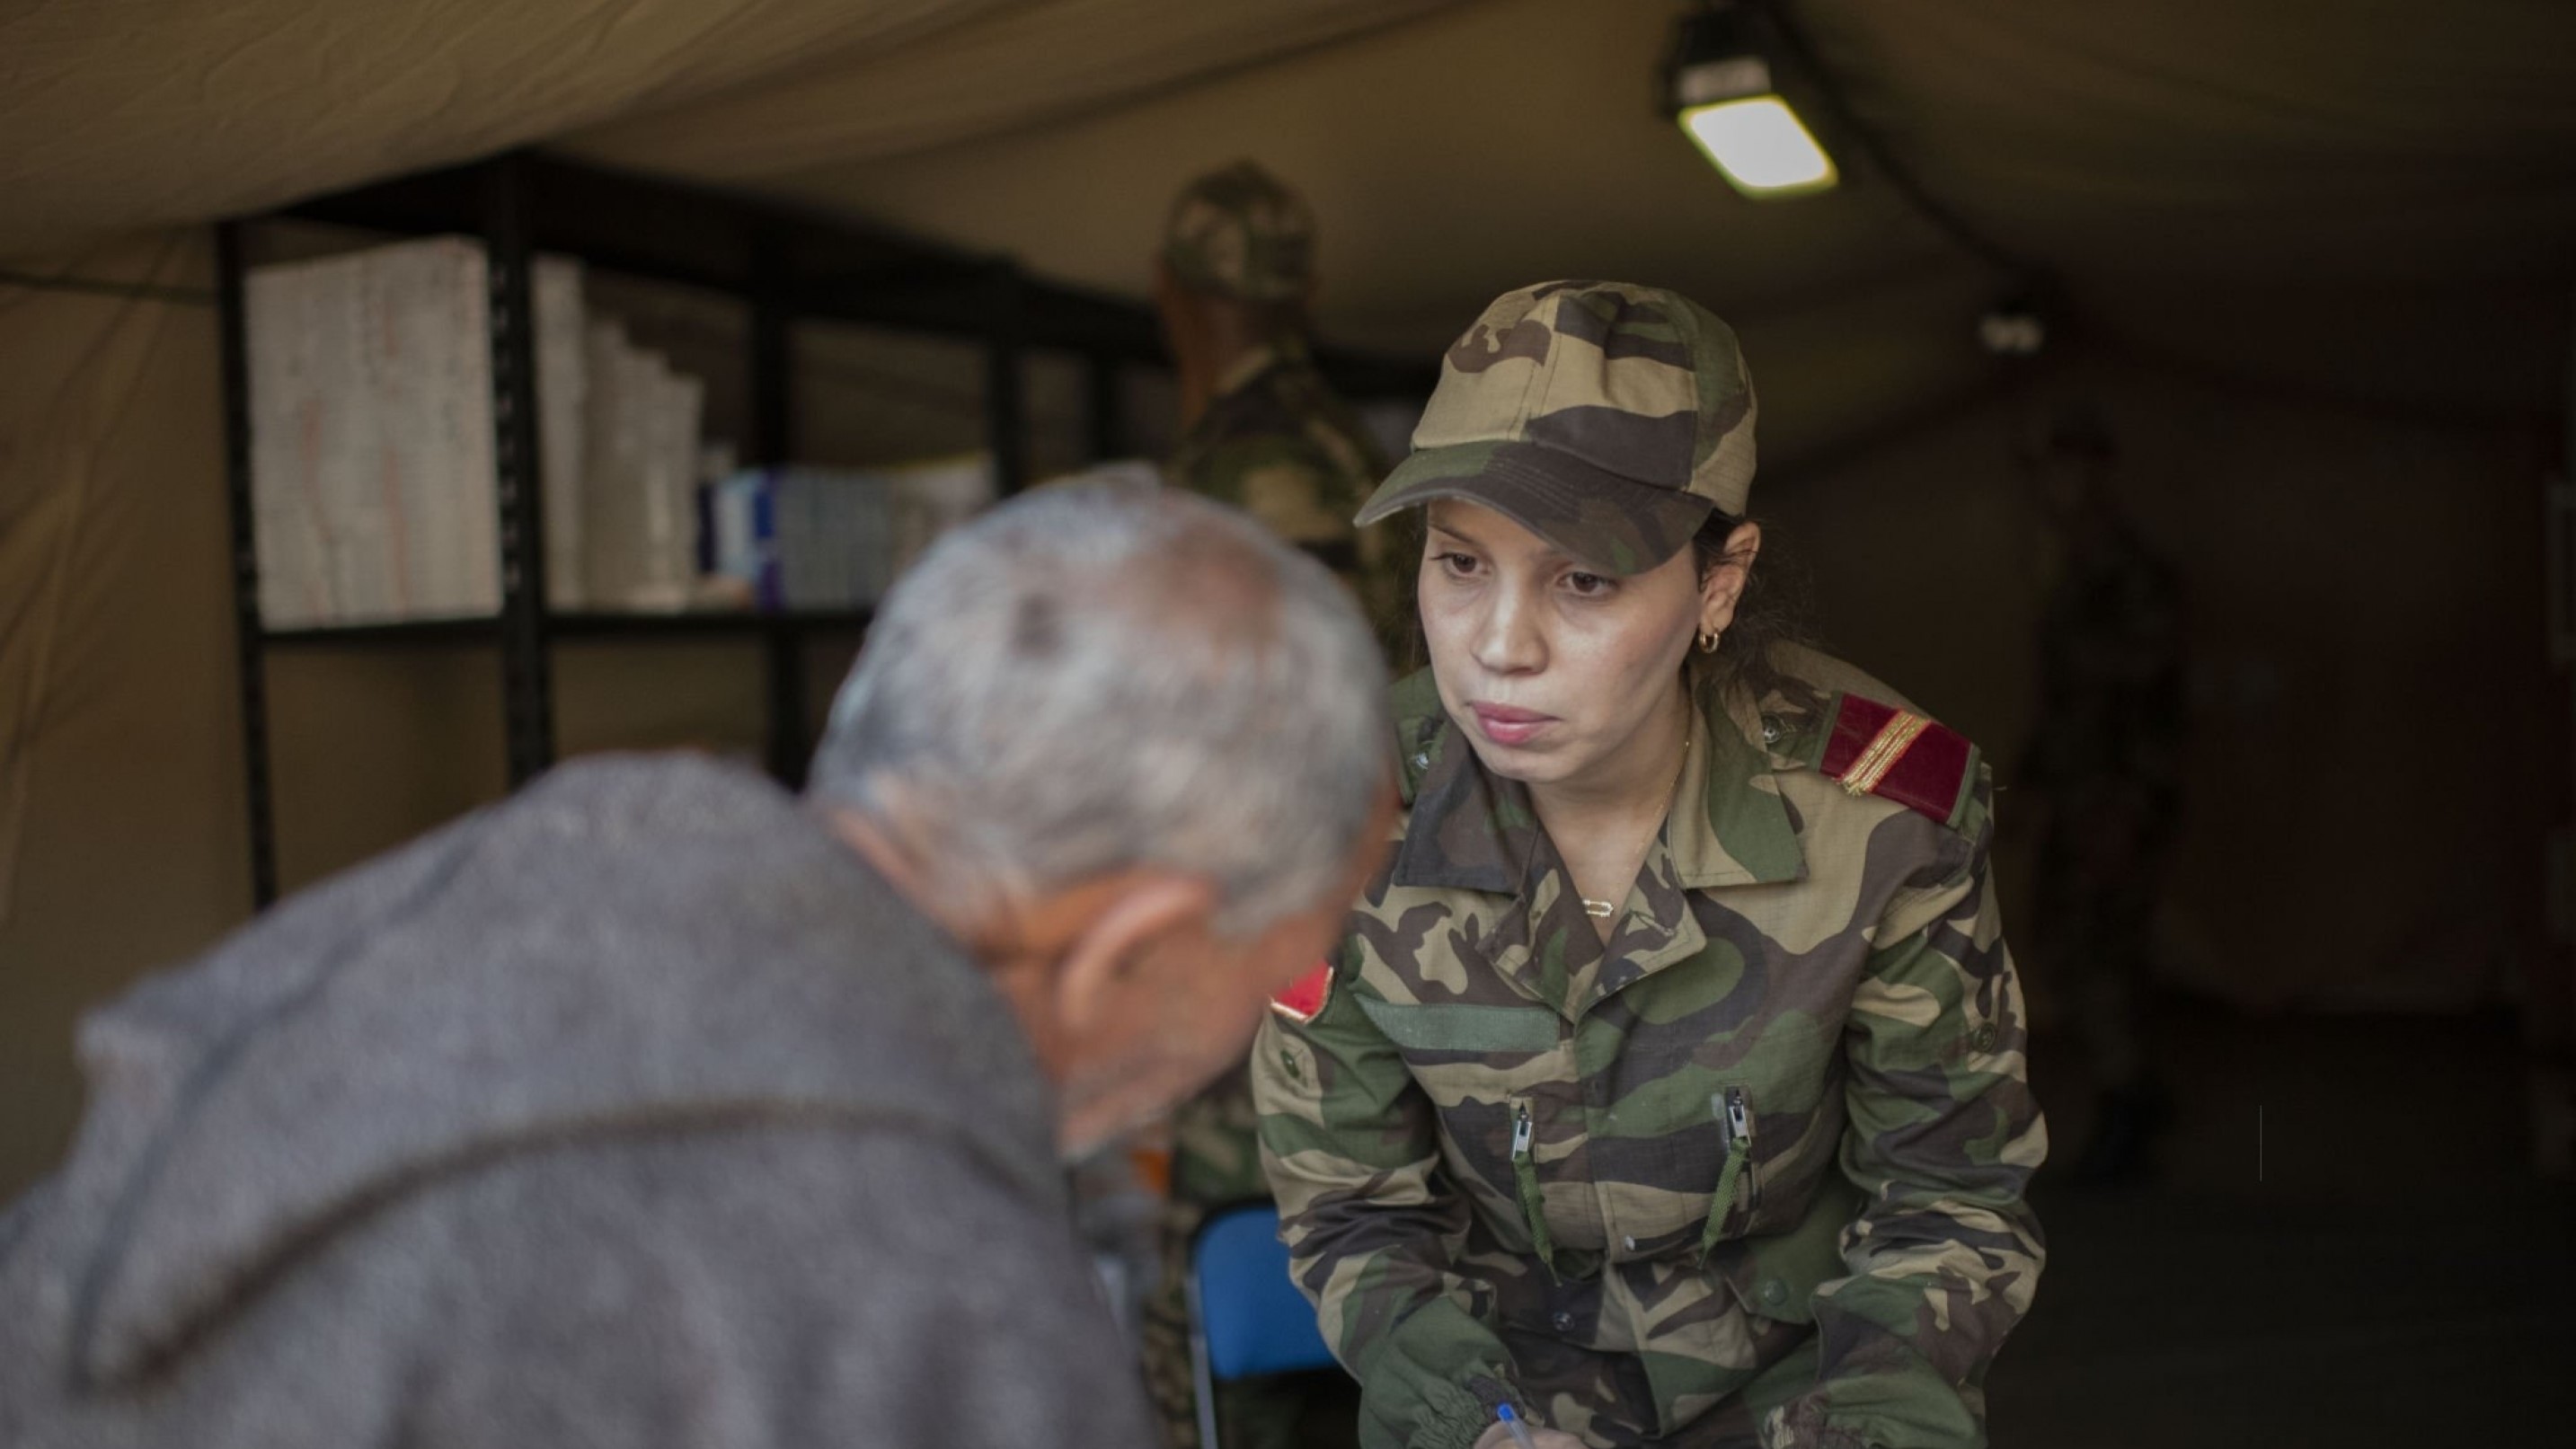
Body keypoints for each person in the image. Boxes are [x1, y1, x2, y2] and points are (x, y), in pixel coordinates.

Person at [0, 483, 1395, 1449]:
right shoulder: (943, 1309)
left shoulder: (519, 870)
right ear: (1126, 951)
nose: (1290, 1008)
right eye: (1297, 957)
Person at [1252, 281, 2049, 1449]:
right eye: (1459, 563)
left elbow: (1945, 1195)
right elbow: (1352, 1210)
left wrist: (1858, 1426)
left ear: (1715, 586)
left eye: (1583, 579)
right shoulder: (1335, 822)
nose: (1498, 648)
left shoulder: (1876, 817)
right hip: (1487, 1388)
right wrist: (1482, 1425)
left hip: (1804, 1384)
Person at [1145, 157, 1400, 1449]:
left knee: (1263, 1319)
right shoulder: (1337, 438)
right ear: (1302, 291)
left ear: (1171, 294)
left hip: (1282, 958)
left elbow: (1280, 744)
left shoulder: (1260, 467)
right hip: (1338, 951)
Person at [2019, 404, 2185, 1184]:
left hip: (2115, 793)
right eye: (2055, 469)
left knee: (2098, 952)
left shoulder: (2124, 572)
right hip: (2084, 788)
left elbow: (2140, 683)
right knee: (2067, 942)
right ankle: (2131, 1094)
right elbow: (2065, 701)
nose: (2064, 485)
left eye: (2077, 467)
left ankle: (2130, 1104)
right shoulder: (2080, 568)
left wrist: (2123, 799)